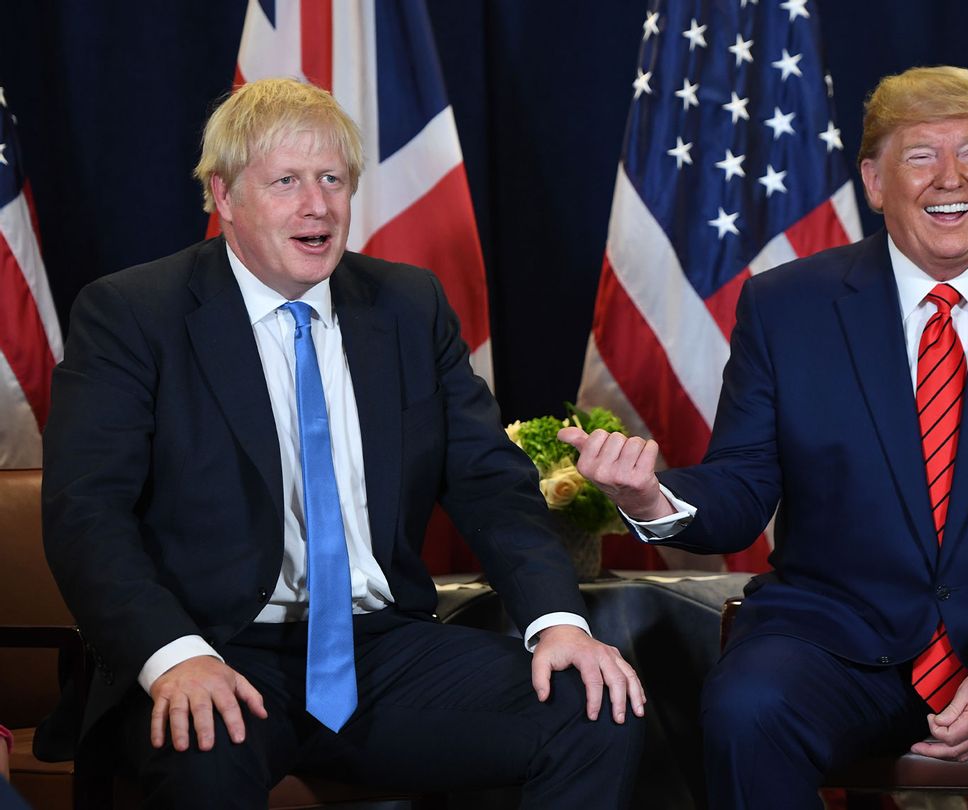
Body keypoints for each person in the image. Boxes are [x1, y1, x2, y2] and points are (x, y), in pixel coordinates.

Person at [561, 66, 968, 809]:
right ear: (875, 181)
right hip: (841, 639)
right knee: (747, 710)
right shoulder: (787, 307)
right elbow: (742, 484)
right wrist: (651, 495)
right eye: (920, 155)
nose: (951, 178)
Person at [40, 77, 643, 809]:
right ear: (225, 198)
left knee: (593, 708)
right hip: (212, 645)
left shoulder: (407, 306)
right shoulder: (134, 314)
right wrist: (173, 659)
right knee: (202, 758)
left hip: (383, 651)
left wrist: (559, 624)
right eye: (286, 181)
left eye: (332, 179)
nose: (317, 205)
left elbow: (491, 485)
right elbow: (87, 516)